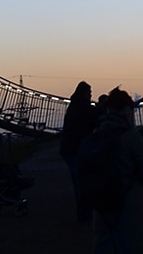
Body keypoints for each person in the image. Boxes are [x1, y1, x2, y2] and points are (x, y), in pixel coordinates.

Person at [77, 86, 143, 254]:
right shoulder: (130, 136)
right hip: (130, 204)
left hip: (102, 206)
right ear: (127, 111)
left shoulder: (96, 135)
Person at [59, 80, 98, 224]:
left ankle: (83, 216)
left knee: (79, 181)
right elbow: (92, 118)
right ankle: (84, 216)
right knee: (81, 181)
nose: (90, 95)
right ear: (84, 93)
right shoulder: (82, 107)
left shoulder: (75, 105)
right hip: (73, 149)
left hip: (70, 148)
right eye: (89, 93)